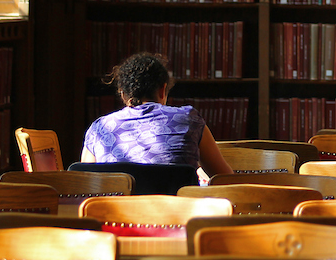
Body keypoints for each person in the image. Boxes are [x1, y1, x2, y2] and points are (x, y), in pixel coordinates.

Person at [81, 52, 234, 176]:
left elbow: (86, 186)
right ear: (163, 90)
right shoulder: (189, 119)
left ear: (123, 95)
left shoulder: (99, 129)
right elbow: (224, 179)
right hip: (178, 213)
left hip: (115, 212)